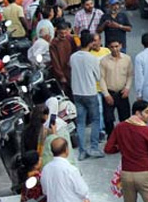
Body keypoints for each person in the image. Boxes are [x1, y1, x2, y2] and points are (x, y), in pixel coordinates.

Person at [104, 100, 148, 202]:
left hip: (126, 174)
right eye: (147, 112)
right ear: (138, 113)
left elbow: (108, 148)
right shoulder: (147, 130)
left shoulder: (120, 127)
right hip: (145, 173)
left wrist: (120, 147)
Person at [70, 31, 104, 161]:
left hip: (77, 93)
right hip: (90, 92)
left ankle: (82, 150)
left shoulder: (73, 57)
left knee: (81, 122)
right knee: (95, 120)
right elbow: (98, 76)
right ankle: (94, 147)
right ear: (90, 43)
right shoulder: (92, 58)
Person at [100, 40, 133, 138]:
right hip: (110, 93)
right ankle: (112, 139)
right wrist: (106, 94)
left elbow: (130, 75)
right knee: (108, 119)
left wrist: (127, 88)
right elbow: (101, 78)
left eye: (116, 46)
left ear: (121, 46)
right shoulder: (104, 61)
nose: (115, 49)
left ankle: (125, 139)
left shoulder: (127, 59)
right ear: (109, 48)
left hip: (122, 93)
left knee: (125, 118)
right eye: (112, 47)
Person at [41, 137, 90, 202]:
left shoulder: (45, 169)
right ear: (66, 150)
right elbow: (83, 191)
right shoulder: (71, 170)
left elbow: (45, 191)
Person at [49, 22, 78, 96]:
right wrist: (61, 75)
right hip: (61, 71)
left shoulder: (69, 40)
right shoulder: (54, 44)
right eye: (61, 33)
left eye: (65, 33)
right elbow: (55, 61)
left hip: (70, 70)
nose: (64, 35)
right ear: (57, 32)